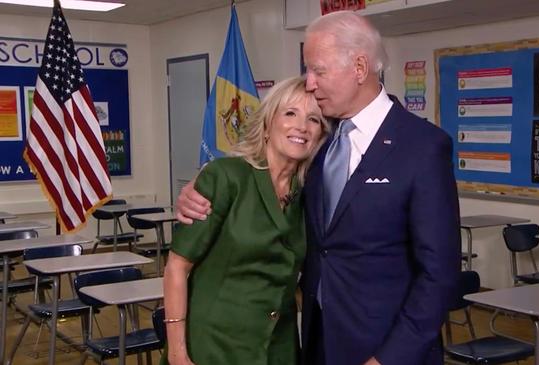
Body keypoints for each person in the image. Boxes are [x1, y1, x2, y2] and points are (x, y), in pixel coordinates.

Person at [176, 11, 461, 365]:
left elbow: (439, 274)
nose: (309, 82)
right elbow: (264, 178)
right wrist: (199, 187)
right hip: (316, 342)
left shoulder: (422, 146)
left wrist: (389, 358)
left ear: (359, 68)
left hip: (385, 348)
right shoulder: (318, 145)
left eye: (318, 70)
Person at [162, 76, 329, 365]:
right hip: (215, 345)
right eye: (290, 113)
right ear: (267, 124)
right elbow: (177, 267)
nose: (302, 126)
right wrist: (177, 353)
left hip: (279, 348)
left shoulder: (310, 194)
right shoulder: (226, 177)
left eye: (313, 119)